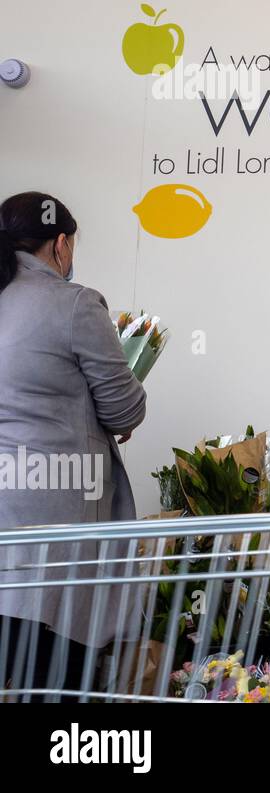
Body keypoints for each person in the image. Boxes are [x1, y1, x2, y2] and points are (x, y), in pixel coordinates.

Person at [0, 192, 146, 692]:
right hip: (56, 506)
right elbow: (125, 408)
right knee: (53, 673)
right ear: (60, 244)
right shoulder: (74, 303)